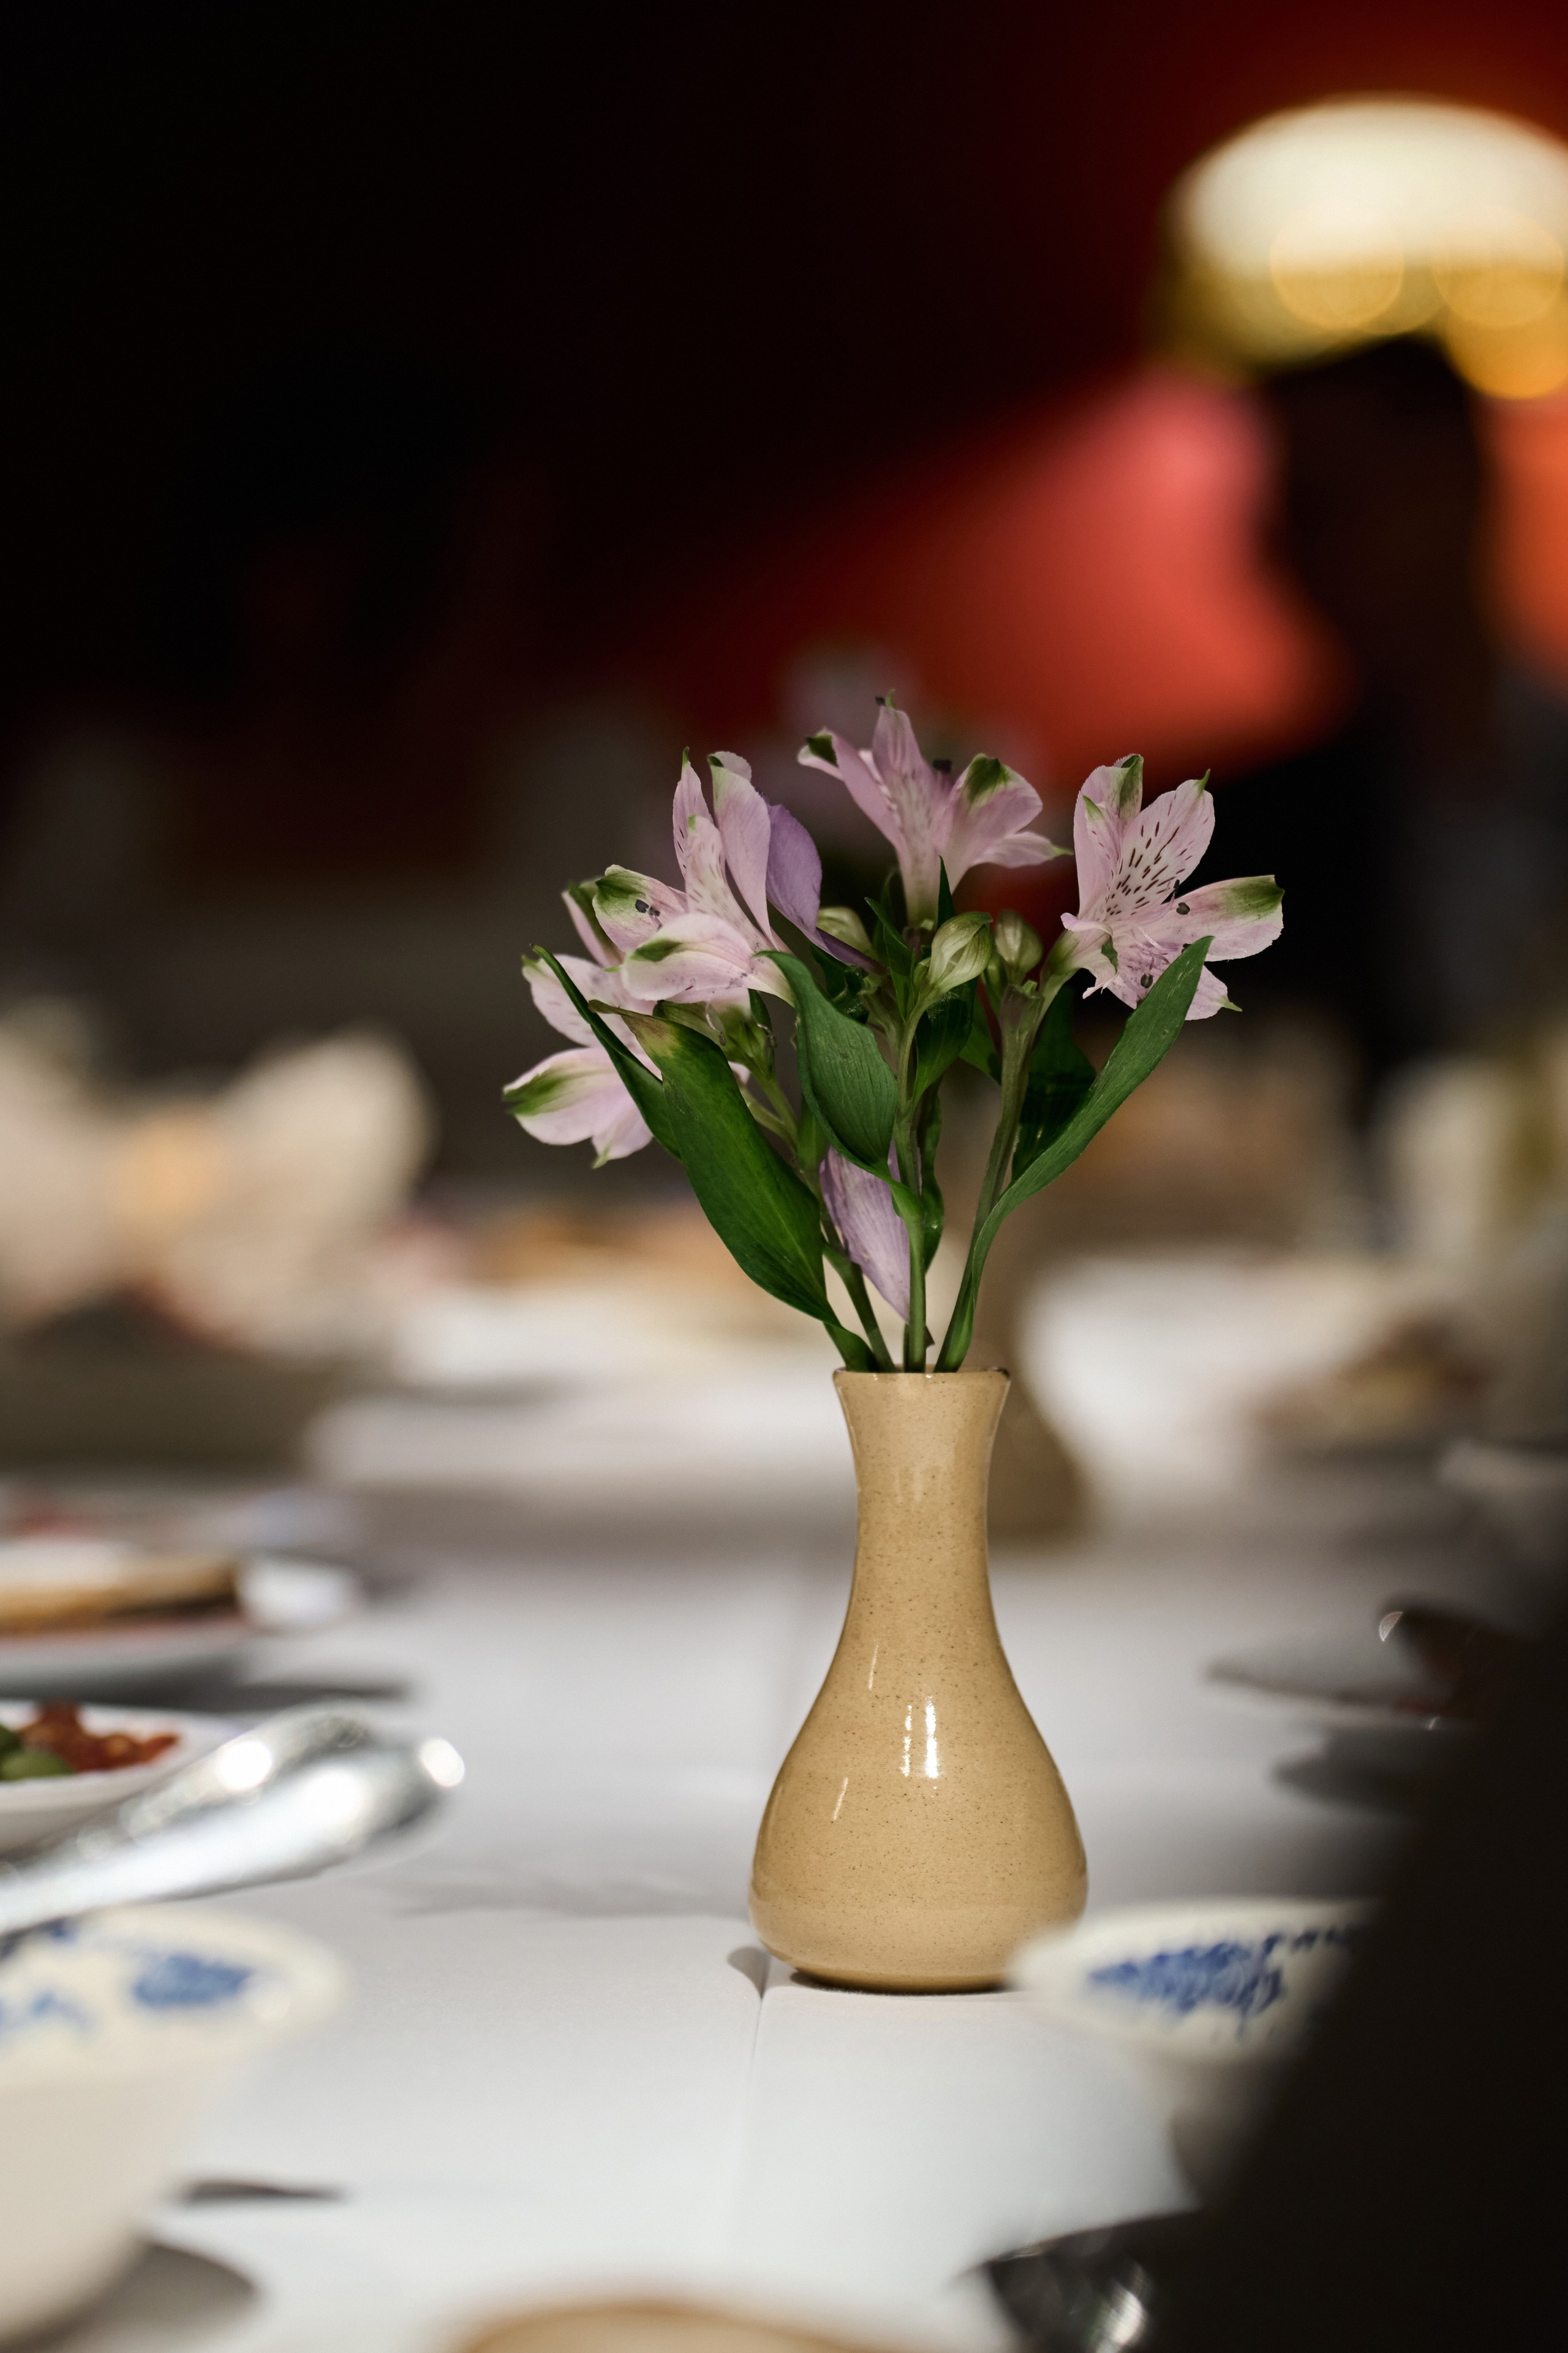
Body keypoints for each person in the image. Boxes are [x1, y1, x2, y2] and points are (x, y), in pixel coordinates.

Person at [1197, 336, 1568, 1089]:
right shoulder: (1220, 848)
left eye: (1333, 503)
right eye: (1293, 518)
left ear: (1460, 484)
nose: (1292, 558)